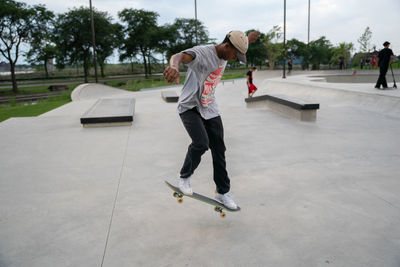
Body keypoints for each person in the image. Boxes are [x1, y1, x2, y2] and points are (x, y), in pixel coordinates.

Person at [163, 30, 260, 209]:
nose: (233, 59)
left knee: (219, 149)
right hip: (189, 106)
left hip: (209, 107)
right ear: (226, 46)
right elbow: (179, 56)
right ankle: (184, 176)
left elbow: (238, 41)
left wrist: (249, 39)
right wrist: (174, 66)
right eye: (234, 55)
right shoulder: (202, 53)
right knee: (201, 143)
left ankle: (222, 192)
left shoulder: (229, 48)